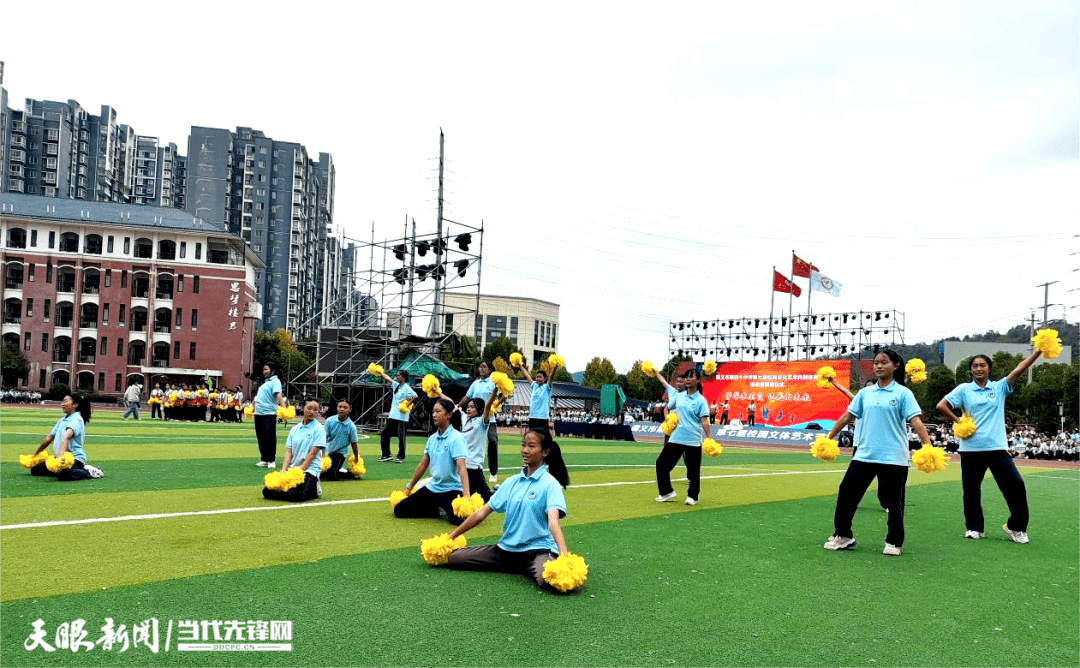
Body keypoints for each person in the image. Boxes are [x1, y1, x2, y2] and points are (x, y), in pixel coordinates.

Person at [822, 350, 931, 557]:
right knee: (846, 493)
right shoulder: (865, 394)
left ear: (896, 365)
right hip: (864, 455)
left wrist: (928, 446)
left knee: (895, 502)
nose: (879, 366)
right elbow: (847, 416)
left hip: (894, 457)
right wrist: (828, 438)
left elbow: (915, 420)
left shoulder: (903, 393)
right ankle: (843, 535)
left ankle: (893, 541)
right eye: (876, 363)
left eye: (884, 362)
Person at [445, 428, 572, 591]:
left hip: (536, 551)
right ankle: (520, 567)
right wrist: (451, 538)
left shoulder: (550, 484)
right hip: (505, 550)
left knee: (548, 580)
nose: (525, 450)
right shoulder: (512, 482)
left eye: (531, 446)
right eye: (523, 445)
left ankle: (537, 564)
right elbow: (481, 513)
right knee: (454, 558)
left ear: (545, 452)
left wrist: (564, 556)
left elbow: (553, 523)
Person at [937, 350, 1042, 544]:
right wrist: (958, 420)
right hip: (970, 449)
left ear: (990, 369)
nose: (979, 369)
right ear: (970, 370)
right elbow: (942, 405)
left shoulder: (999, 387)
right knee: (971, 491)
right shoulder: (963, 390)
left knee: (1015, 485)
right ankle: (975, 528)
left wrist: (1039, 351)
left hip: (996, 448)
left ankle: (1016, 527)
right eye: (975, 366)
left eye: (983, 365)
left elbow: (1019, 369)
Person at [395, 398, 471, 525]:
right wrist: (409, 487)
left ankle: (441, 507)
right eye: (433, 412)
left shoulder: (456, 438)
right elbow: (422, 464)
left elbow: (462, 468)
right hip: (433, 488)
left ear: (448, 415)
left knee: (458, 520)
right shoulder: (432, 438)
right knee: (399, 510)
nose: (434, 415)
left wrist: (466, 495)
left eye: (438, 411)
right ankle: (435, 509)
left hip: (451, 489)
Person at [826, 376, 888, 512]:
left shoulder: (883, 402)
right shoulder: (859, 400)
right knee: (856, 478)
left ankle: (886, 503)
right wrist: (834, 382)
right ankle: (853, 501)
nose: (867, 390)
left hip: (879, 445)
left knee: (883, 477)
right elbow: (844, 391)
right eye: (865, 387)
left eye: (871, 387)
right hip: (860, 445)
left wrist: (909, 379)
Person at [653, 368, 711, 506]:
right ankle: (666, 492)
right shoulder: (679, 396)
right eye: (686, 377)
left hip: (693, 439)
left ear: (697, 380)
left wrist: (709, 437)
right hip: (676, 438)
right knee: (661, 464)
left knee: (693, 470)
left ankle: (693, 496)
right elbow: (668, 407)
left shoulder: (701, 400)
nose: (687, 379)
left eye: (691, 377)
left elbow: (704, 420)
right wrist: (668, 420)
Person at [262, 397, 325, 502]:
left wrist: (300, 470)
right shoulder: (295, 429)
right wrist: (283, 470)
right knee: (267, 492)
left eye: (315, 409)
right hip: (292, 469)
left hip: (309, 470)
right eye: (309, 408)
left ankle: (314, 489)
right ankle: (294, 490)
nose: (312, 412)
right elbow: (289, 452)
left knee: (295, 495)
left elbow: (312, 453)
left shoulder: (319, 429)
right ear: (302, 408)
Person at [29, 394, 100, 480]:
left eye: (65, 401)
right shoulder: (62, 420)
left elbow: (66, 437)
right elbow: (49, 438)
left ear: (75, 405)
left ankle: (89, 472)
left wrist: (60, 458)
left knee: (63, 474)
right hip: (61, 457)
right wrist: (35, 455)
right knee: (35, 469)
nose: (62, 404)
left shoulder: (77, 420)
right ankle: (72, 471)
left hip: (74, 458)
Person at [458, 361, 499, 484]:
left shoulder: (493, 382)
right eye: (480, 366)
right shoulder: (475, 383)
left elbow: (503, 395)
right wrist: (457, 406)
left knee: (492, 441)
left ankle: (493, 472)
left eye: (484, 366)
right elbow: (467, 397)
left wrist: (495, 405)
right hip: (474, 420)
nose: (481, 368)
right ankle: (467, 466)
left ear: (490, 370)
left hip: (488, 418)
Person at [457, 394, 498, 501]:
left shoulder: (482, 423)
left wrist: (496, 389)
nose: (469, 409)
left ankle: (501, 492)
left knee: (488, 499)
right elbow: (452, 405)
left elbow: (488, 406)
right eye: (468, 406)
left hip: (474, 467)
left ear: (480, 409)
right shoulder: (464, 418)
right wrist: (437, 391)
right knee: (464, 495)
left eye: (472, 407)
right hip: (461, 466)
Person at [378, 369, 417, 463]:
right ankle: (386, 455)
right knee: (384, 434)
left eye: (399, 375)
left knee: (401, 437)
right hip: (392, 416)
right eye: (397, 375)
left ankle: (401, 456)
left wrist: (408, 405)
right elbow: (388, 379)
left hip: (401, 417)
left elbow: (415, 396)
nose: (397, 376)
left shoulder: (407, 388)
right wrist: (380, 372)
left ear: (404, 377)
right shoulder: (396, 385)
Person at [254, 362, 285, 468]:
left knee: (270, 437)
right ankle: (264, 458)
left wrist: (284, 409)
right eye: (263, 370)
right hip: (258, 413)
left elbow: (278, 395)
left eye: (266, 369)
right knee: (261, 436)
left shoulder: (275, 381)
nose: (264, 372)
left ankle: (271, 459)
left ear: (273, 371)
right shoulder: (265, 383)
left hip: (269, 413)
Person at [322, 398, 360, 481]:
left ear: (350, 410)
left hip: (340, 453)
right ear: (337, 408)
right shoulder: (329, 421)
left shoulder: (351, 426)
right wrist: (323, 454)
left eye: (345, 407)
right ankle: (342, 471)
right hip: (328, 451)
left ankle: (349, 474)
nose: (342, 409)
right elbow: (323, 438)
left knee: (330, 476)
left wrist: (356, 458)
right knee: (321, 473)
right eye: (340, 407)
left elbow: (354, 443)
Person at [519, 364, 554, 432]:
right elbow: (527, 375)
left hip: (542, 417)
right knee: (533, 437)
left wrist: (555, 367)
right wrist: (519, 365)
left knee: (544, 439)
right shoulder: (534, 386)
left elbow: (551, 377)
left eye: (540, 377)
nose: (538, 379)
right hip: (532, 416)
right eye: (537, 377)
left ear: (545, 378)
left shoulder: (547, 387)